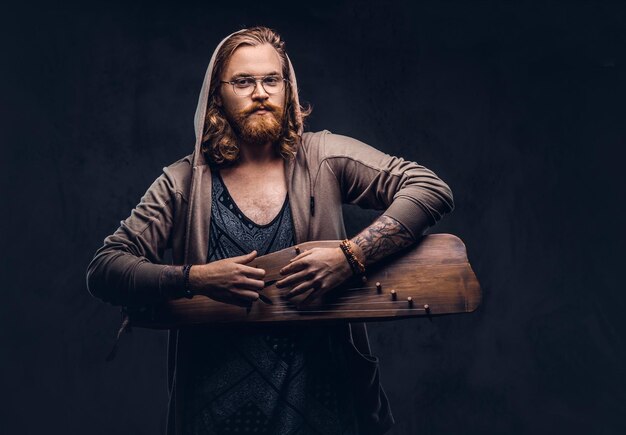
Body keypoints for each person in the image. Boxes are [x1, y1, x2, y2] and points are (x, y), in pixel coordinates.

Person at [87, 27, 454, 435]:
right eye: (243, 81)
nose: (260, 92)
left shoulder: (323, 158)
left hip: (328, 410)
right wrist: (197, 278)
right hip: (213, 416)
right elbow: (105, 269)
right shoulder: (182, 183)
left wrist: (352, 256)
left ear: (287, 88)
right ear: (217, 95)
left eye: (271, 80)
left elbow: (429, 187)